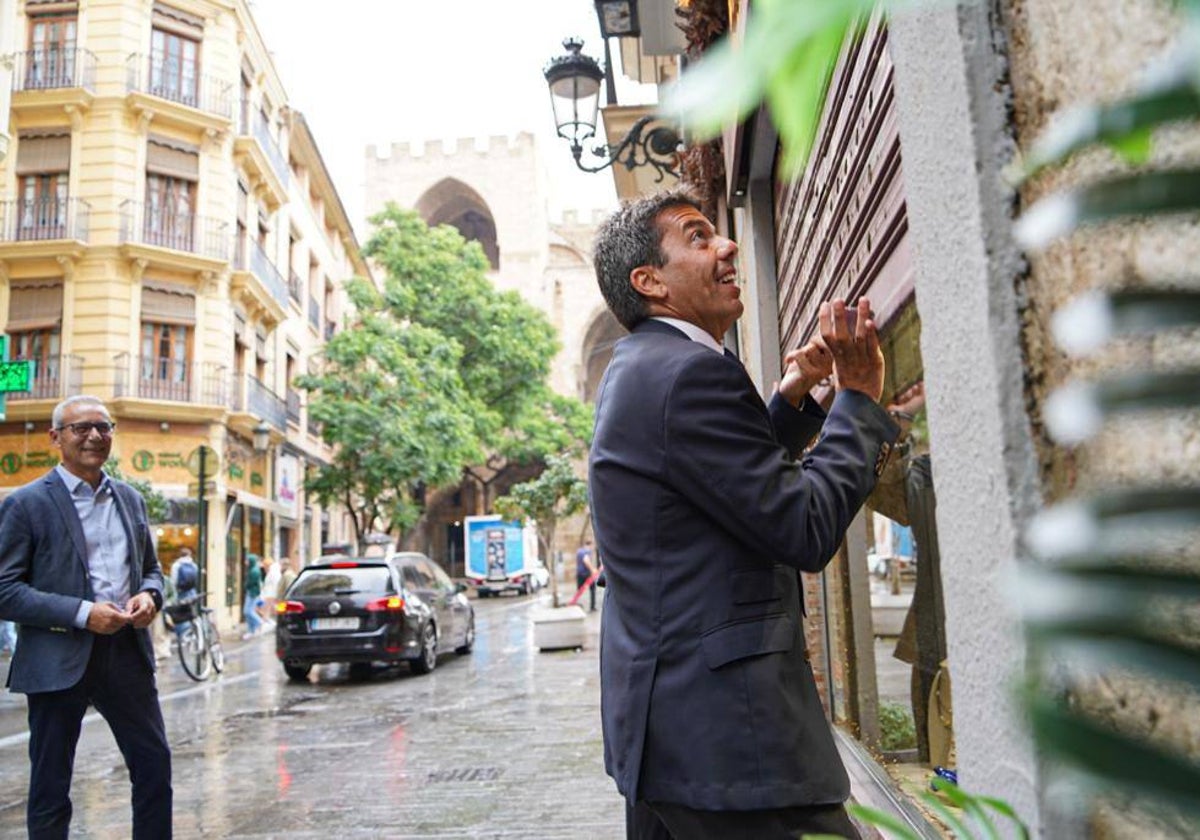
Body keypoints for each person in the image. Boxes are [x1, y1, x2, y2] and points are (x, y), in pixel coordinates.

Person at [588, 190, 898, 840]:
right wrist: (860, 403)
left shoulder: (644, 367)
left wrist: (790, 401)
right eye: (699, 237)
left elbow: (710, 483)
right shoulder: (688, 373)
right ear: (650, 282)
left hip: (672, 741)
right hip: (735, 754)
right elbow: (802, 527)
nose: (728, 246)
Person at [0, 395, 172, 838]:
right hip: (58, 659)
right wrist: (82, 613)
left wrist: (150, 596)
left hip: (126, 655)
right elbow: (5, 590)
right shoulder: (27, 504)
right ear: (55, 437)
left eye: (103, 426)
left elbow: (151, 569)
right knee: (51, 784)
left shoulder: (130, 499)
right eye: (81, 428)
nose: (95, 435)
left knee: (153, 765)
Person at [243, 553, 263, 639]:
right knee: (247, 611)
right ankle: (251, 630)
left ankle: (259, 623)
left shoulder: (254, 571)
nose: (245, 562)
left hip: (252, 593)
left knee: (248, 611)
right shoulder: (253, 569)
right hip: (252, 593)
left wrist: (246, 585)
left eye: (247, 560)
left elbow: (251, 583)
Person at [575, 539, 599, 611]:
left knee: (579, 590)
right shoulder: (587, 551)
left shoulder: (579, 551)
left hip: (579, 573)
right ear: (590, 545)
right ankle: (592, 607)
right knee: (592, 590)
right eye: (592, 546)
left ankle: (576, 605)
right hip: (586, 574)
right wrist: (593, 570)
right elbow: (586, 560)